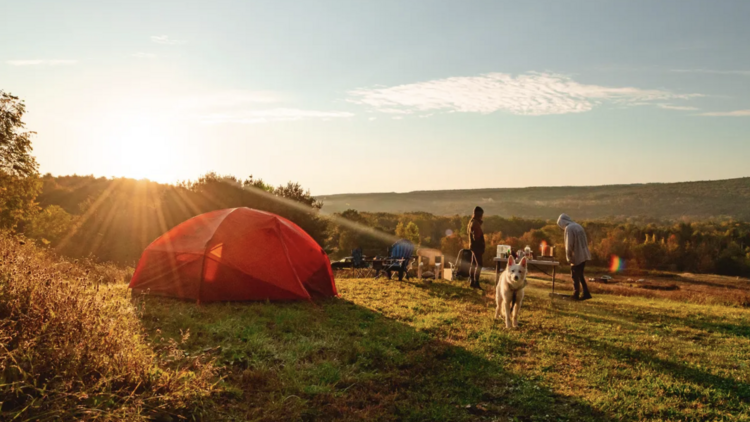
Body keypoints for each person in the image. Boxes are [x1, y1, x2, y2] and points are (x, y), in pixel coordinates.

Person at [557, 213, 592, 301]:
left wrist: (568, 257)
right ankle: (586, 293)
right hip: (584, 253)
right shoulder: (578, 226)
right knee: (580, 274)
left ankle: (576, 294)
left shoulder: (569, 228)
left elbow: (569, 244)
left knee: (575, 275)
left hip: (577, 254)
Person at [468, 206, 485, 290]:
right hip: (477, 247)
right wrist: (481, 244)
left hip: (473, 246)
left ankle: (472, 281)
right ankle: (476, 282)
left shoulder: (472, 222)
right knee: (479, 265)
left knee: (473, 264)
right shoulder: (475, 223)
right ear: (480, 214)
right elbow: (477, 237)